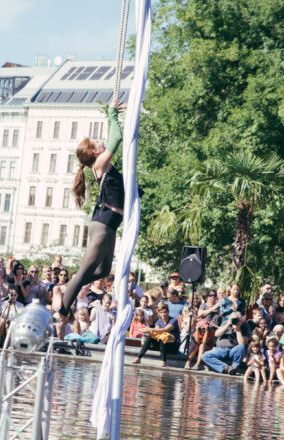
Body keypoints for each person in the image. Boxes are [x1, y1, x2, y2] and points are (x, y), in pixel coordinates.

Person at [60, 99, 125, 316]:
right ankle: (61, 310)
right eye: (98, 142)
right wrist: (112, 114)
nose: (102, 142)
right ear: (95, 152)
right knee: (86, 270)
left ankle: (72, 287)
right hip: (104, 222)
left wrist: (110, 114)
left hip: (110, 223)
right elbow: (116, 138)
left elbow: (111, 139)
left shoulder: (100, 163)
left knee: (103, 271)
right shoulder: (99, 165)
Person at [132, 302, 180, 367]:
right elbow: (156, 332)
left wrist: (149, 329)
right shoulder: (159, 321)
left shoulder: (173, 320)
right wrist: (147, 331)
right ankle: (139, 358)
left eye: (165, 312)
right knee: (151, 337)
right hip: (162, 345)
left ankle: (163, 361)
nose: (163, 314)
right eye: (161, 312)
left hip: (172, 346)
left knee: (163, 338)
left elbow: (166, 329)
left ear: (168, 312)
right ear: (159, 313)